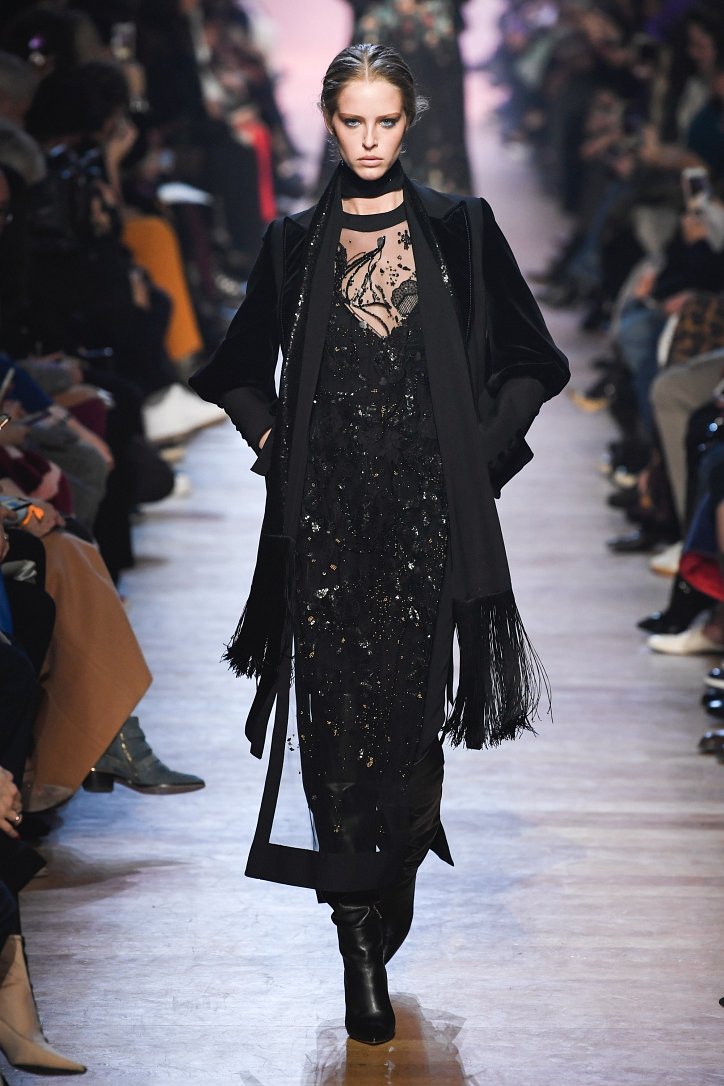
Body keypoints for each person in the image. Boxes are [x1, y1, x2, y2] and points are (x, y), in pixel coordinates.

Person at [190, 43, 569, 1046]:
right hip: (321, 524)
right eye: (352, 121)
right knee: (331, 724)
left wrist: (479, 457)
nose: (368, 140)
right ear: (329, 122)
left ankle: (385, 878)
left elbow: (534, 361)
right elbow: (235, 370)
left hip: (425, 524)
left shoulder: (458, 229)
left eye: (385, 121)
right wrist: (274, 445)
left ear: (409, 123)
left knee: (404, 729)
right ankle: (356, 936)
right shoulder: (292, 244)